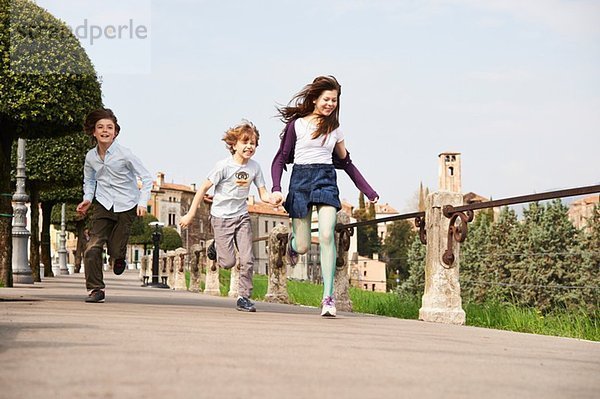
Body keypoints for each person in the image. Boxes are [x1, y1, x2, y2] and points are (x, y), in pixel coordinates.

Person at [271, 75, 379, 317]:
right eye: (327, 99)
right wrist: (277, 188)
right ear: (315, 99)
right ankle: (291, 243)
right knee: (302, 246)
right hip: (300, 181)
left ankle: (328, 298)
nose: (331, 104)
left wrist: (368, 191)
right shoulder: (297, 125)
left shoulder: (335, 129)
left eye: (335, 100)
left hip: (326, 181)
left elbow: (347, 163)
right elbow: (279, 158)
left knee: (328, 234)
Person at [180, 120, 275, 312]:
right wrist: (190, 214)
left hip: (241, 217)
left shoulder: (255, 167)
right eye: (245, 142)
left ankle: (243, 297)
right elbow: (203, 189)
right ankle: (216, 245)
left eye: (253, 143)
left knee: (248, 258)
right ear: (234, 144)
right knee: (228, 262)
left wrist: (273, 199)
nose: (249, 146)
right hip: (221, 217)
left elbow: (263, 193)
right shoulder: (223, 166)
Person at [76, 108, 152, 303]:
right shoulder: (90, 157)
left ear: (115, 132)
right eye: (100, 127)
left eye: (109, 127)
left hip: (126, 204)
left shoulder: (125, 154)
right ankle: (96, 289)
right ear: (94, 132)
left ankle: (118, 257)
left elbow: (146, 178)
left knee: (116, 249)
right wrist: (87, 199)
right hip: (103, 203)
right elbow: (90, 180)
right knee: (92, 247)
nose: (105, 130)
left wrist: (142, 202)